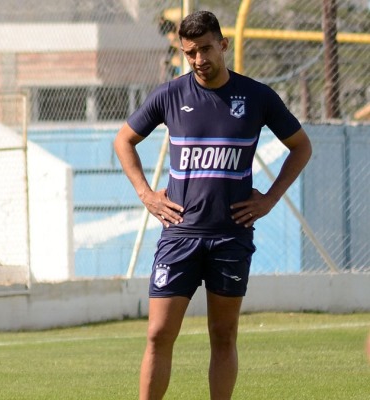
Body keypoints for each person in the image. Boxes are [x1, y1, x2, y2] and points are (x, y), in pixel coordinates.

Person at [113, 10, 312, 400]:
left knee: (223, 335)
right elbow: (124, 140)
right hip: (180, 235)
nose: (200, 59)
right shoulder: (171, 94)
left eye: (206, 49)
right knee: (157, 334)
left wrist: (270, 198)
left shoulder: (257, 96)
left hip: (230, 236)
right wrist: (146, 194)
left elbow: (301, 146)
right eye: (190, 53)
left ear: (223, 44)